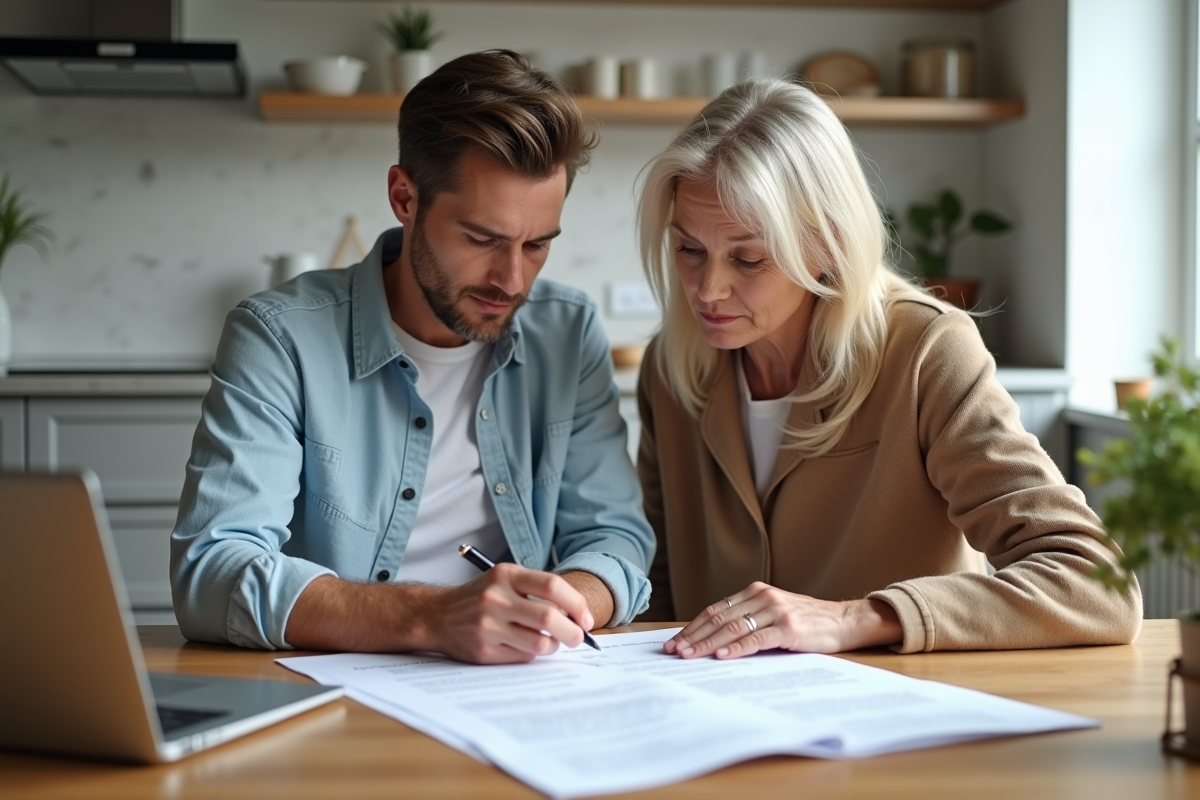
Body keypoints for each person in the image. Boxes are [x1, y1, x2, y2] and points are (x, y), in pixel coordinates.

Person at [170, 50, 654, 664]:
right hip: (335, 696)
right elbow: (212, 571)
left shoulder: (568, 330)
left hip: (515, 686)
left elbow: (614, 536)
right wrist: (430, 616)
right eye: (481, 239)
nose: (511, 278)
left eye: (537, 245)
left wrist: (571, 600)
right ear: (405, 197)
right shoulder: (278, 337)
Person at [634, 79, 1142, 658]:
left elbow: (1098, 586)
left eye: (748, 258)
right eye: (688, 250)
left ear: (826, 245)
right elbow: (659, 586)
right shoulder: (671, 368)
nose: (707, 288)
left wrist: (859, 617)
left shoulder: (927, 353)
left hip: (905, 713)